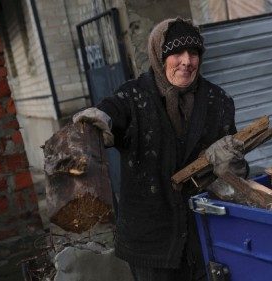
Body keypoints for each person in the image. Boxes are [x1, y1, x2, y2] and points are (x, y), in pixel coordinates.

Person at [73, 18, 247, 281]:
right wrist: (98, 119)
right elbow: (112, 111)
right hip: (150, 242)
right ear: (159, 55)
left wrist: (232, 167)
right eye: (177, 52)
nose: (187, 61)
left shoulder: (218, 101)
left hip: (204, 237)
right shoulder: (134, 96)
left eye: (194, 53)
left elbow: (238, 172)